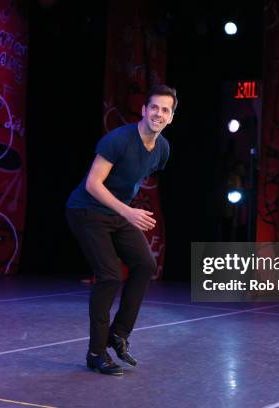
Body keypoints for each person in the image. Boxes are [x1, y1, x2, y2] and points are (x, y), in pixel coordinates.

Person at [65, 84, 177, 375]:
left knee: (145, 264)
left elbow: (134, 177)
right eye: (154, 107)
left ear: (171, 117)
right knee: (110, 276)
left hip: (115, 213)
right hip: (86, 211)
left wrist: (125, 209)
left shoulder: (162, 149)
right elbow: (93, 184)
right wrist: (127, 210)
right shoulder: (118, 140)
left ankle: (119, 334)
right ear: (144, 110)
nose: (159, 113)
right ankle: (96, 352)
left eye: (166, 110)